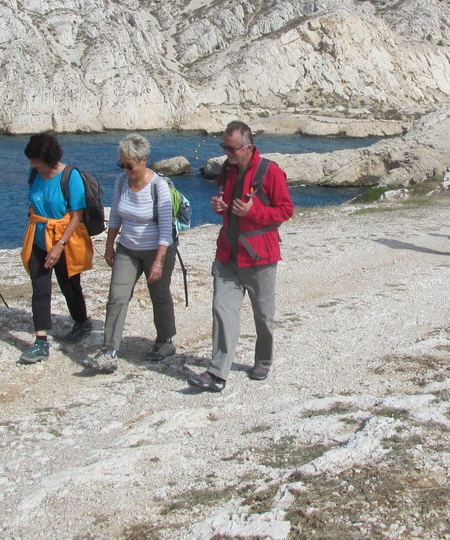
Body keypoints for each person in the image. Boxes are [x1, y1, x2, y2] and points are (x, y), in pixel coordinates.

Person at [189, 121, 294, 392]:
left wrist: (252, 213)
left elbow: (285, 211)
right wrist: (218, 206)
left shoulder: (270, 172)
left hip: (260, 256)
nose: (227, 153)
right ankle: (217, 373)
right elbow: (225, 199)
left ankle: (263, 360)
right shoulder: (227, 169)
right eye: (224, 147)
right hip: (228, 253)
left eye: (232, 148)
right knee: (222, 310)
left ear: (247, 147)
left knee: (263, 314)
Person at [84, 134, 177, 374]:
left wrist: (158, 262)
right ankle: (109, 350)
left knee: (159, 294)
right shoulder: (120, 182)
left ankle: (165, 340)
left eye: (129, 165)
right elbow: (115, 214)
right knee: (117, 296)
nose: (125, 170)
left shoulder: (159, 186)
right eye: (121, 164)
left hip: (156, 250)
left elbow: (166, 228)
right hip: (128, 248)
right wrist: (109, 246)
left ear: (143, 161)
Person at [19, 134, 94, 364]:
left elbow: (77, 215)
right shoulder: (35, 174)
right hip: (39, 237)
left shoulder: (70, 176)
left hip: (65, 239)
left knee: (69, 284)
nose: (32, 165)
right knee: (39, 287)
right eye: (31, 160)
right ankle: (41, 341)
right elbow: (35, 200)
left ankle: (82, 322)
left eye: (36, 160)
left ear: (48, 158)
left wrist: (60, 245)